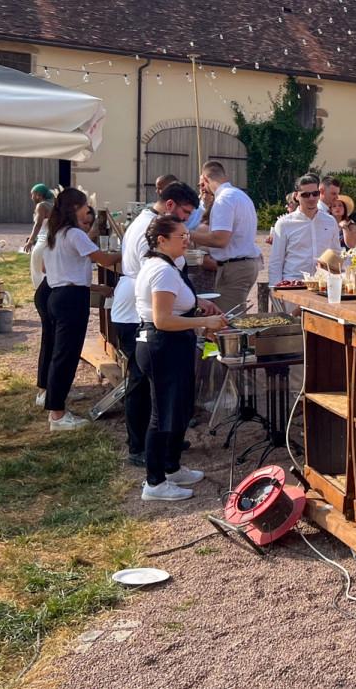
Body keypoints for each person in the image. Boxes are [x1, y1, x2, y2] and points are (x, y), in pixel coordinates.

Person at [111, 182, 207, 467]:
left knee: (161, 390)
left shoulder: (154, 226)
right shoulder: (153, 238)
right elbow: (159, 287)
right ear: (169, 206)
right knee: (144, 386)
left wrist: (194, 302)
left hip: (144, 309)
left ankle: (166, 443)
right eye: (186, 213)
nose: (187, 221)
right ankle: (141, 447)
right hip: (139, 315)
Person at [135, 214, 226, 501]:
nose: (187, 240)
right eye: (181, 236)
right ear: (161, 240)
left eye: (187, 234)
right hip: (162, 345)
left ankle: (172, 467)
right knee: (161, 415)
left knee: (179, 408)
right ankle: (154, 482)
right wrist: (204, 324)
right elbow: (162, 319)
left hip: (173, 345)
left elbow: (177, 300)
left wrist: (198, 303)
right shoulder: (161, 270)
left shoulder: (168, 266)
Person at [36, 188, 121, 430]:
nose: (88, 210)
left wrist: (95, 286)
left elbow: (49, 268)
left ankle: (55, 401)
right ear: (75, 208)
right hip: (71, 299)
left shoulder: (57, 233)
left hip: (58, 295)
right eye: (85, 206)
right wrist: (125, 253)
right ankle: (58, 416)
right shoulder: (74, 233)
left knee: (60, 354)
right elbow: (104, 259)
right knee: (66, 355)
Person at [191, 160, 261, 313]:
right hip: (243, 265)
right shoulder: (240, 195)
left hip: (234, 267)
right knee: (231, 317)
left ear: (205, 179)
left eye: (202, 183)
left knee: (228, 321)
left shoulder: (224, 199)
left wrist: (188, 235)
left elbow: (220, 239)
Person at [269, 175, 342, 288]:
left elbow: (336, 253)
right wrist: (275, 290)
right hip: (293, 284)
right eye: (306, 195)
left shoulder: (330, 221)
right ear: (296, 196)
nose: (311, 198)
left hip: (323, 285)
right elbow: (276, 261)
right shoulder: (284, 224)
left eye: (315, 193)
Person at [24, 184, 54, 288]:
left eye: (32, 194)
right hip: (52, 240)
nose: (31, 197)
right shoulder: (53, 205)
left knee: (37, 268)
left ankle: (40, 291)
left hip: (43, 241)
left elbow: (38, 224)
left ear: (38, 195)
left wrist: (30, 241)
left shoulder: (41, 206)